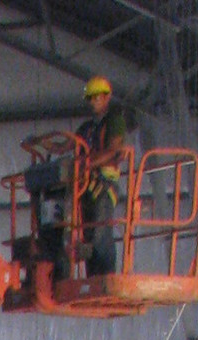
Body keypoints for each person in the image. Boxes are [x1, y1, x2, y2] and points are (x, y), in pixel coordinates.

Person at [76, 73, 132, 277]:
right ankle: (93, 278)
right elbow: (68, 144)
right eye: (90, 98)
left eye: (97, 97)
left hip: (105, 184)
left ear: (106, 97)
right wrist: (43, 142)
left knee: (100, 231)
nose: (93, 102)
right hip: (86, 186)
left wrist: (87, 163)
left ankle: (107, 277)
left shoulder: (114, 121)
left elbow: (113, 151)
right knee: (89, 232)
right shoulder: (87, 128)